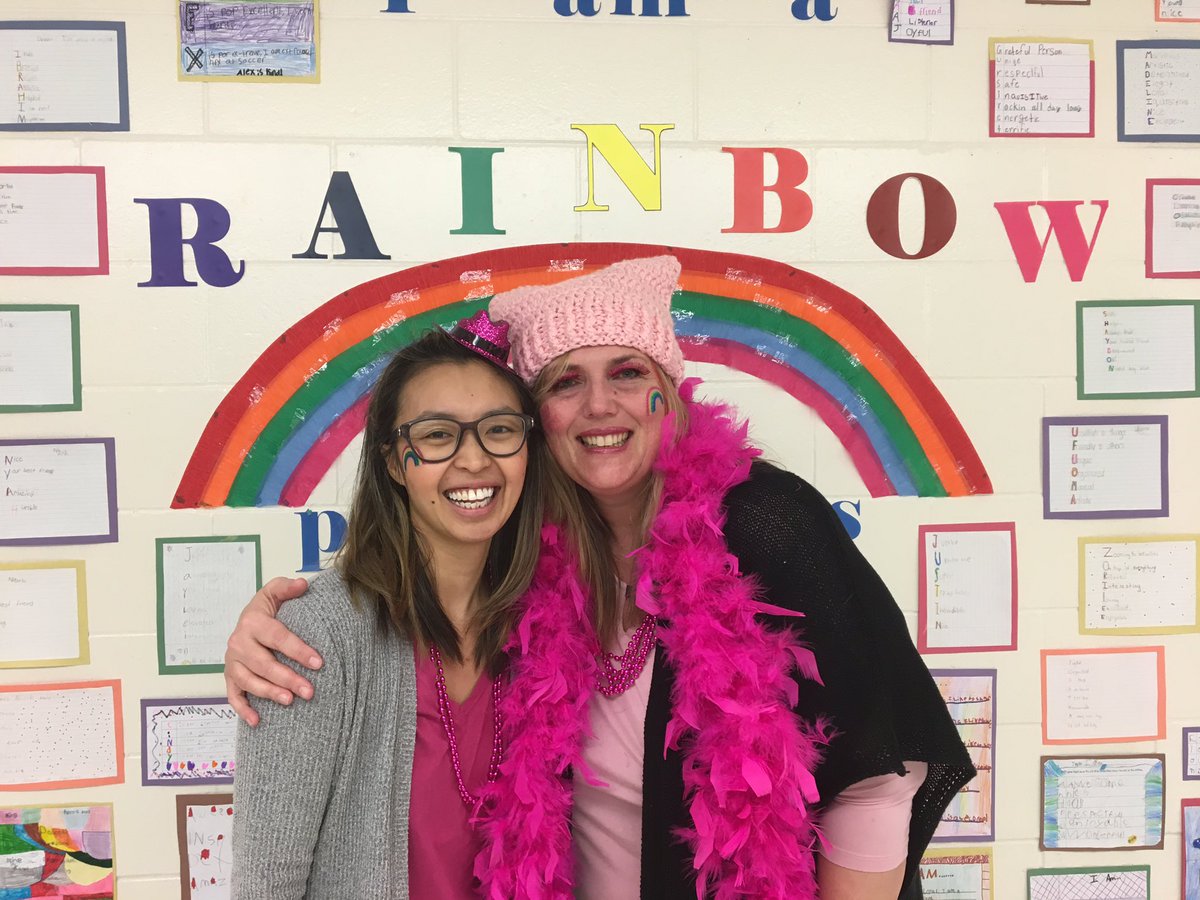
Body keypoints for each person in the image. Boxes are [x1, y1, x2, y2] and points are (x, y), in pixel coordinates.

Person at [226, 257, 975, 900]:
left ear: (668, 391)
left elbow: (875, 778)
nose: (599, 406)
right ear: (539, 424)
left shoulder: (764, 522)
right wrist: (277, 624)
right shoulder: (533, 569)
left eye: (627, 372)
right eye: (564, 383)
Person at [230, 313, 545, 900]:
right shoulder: (316, 636)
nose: (474, 460)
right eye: (437, 435)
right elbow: (265, 885)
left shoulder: (547, 624)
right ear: (396, 462)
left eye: (499, 429)